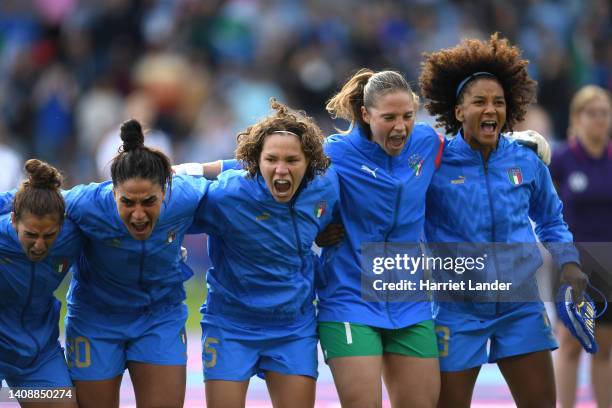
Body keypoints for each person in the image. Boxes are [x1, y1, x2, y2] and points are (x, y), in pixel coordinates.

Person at [419, 33, 588, 408]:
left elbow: (550, 219)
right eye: (479, 101)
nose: (490, 109)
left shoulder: (527, 159)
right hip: (456, 307)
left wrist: (570, 261)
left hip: (520, 306)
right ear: (459, 111)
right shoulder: (434, 162)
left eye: (498, 102)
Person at [189, 100, 338, 408]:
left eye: (292, 160)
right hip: (230, 325)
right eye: (271, 159)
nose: (281, 169)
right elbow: (167, 214)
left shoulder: (326, 188)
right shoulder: (226, 194)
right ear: (255, 162)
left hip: (293, 327)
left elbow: (334, 218)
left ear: (309, 162)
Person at [314, 69, 443, 408]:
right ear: (365, 114)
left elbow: (471, 149)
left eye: (407, 116)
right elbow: (277, 171)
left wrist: (522, 141)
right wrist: (317, 229)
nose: (400, 127)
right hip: (349, 298)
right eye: (389, 117)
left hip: (411, 301)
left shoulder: (427, 142)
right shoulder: (336, 152)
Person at [60, 119, 209, 408]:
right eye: (127, 202)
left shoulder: (186, 195)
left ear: (166, 191)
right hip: (95, 320)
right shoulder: (85, 202)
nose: (138, 214)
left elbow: (240, 181)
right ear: (112, 192)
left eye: (149, 201)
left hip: (159, 317)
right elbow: (21, 203)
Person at [0, 159, 82, 408]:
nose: (39, 245)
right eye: (31, 235)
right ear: (13, 220)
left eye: (49, 236)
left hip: (36, 356)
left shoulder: (74, 233)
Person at [551, 85, 612, 408]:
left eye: (604, 113)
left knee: (603, 344)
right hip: (572, 263)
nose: (599, 120)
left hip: (608, 264)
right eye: (592, 113)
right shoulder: (561, 160)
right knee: (571, 341)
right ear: (577, 118)